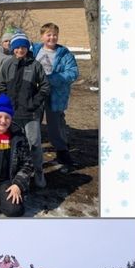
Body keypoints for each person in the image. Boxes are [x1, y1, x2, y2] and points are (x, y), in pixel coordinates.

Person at [0, 31, 50, 189]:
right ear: (12, 48)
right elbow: (1, 86)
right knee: (6, 142)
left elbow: (45, 87)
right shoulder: (7, 64)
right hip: (11, 114)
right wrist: (6, 105)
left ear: (28, 48)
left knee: (34, 143)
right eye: (17, 47)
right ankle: (6, 171)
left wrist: (34, 103)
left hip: (30, 113)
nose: (20, 50)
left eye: (23, 47)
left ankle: (39, 171)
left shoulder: (35, 65)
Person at [32, 22, 80, 173]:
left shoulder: (64, 54)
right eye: (48, 34)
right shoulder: (34, 51)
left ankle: (62, 152)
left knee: (56, 124)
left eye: (54, 35)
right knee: (33, 122)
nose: (52, 38)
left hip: (55, 94)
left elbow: (72, 72)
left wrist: (52, 79)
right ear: (42, 36)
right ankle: (30, 151)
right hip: (36, 93)